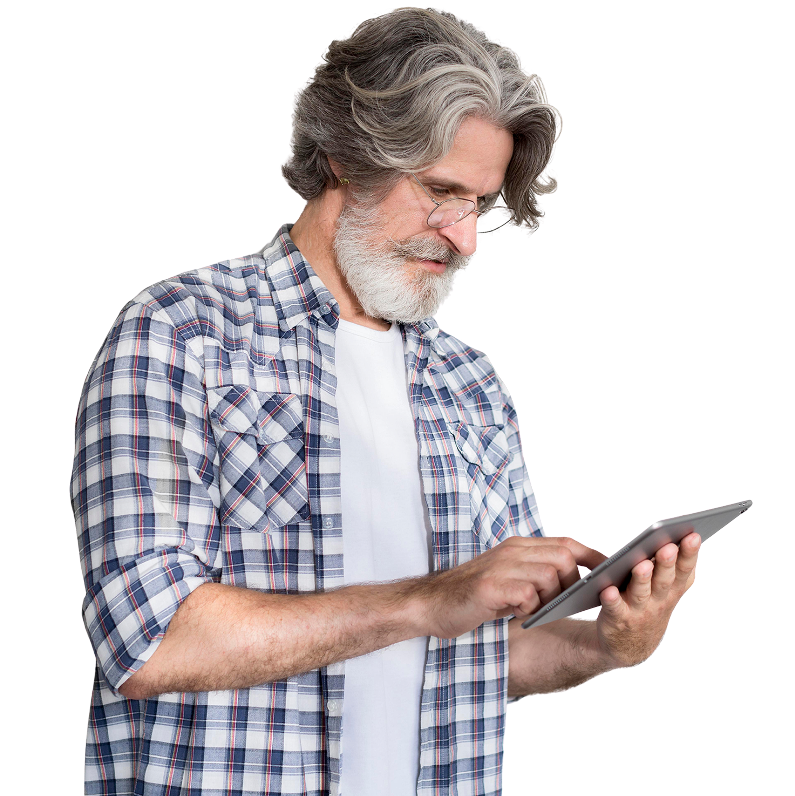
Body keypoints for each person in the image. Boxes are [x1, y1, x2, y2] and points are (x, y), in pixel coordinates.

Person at [71, 7, 701, 795]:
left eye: (480, 207)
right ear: (342, 158)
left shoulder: (470, 384)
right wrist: (429, 600)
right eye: (440, 191)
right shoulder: (182, 334)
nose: (464, 237)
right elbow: (147, 640)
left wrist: (608, 645)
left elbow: (490, 653)